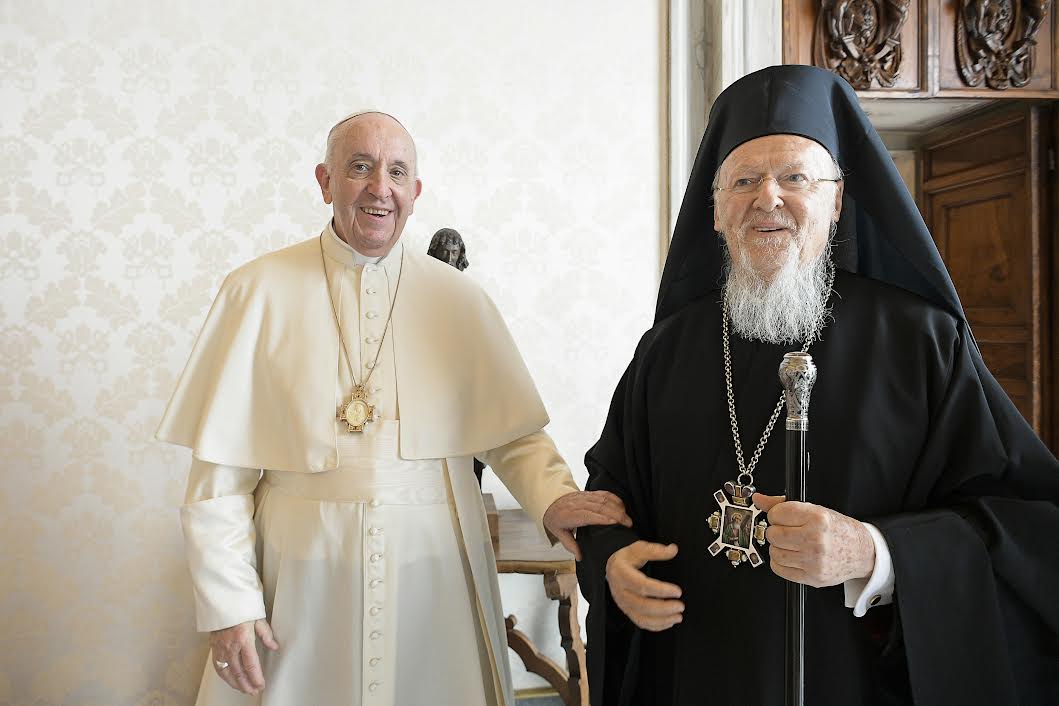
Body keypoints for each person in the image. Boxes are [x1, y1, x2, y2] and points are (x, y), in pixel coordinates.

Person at [577, 65, 1059, 705]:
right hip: (690, 675)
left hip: (852, 681)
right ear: (715, 211)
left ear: (837, 202)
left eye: (795, 178)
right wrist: (612, 562)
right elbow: (609, 493)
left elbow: (1025, 524)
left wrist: (876, 553)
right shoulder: (666, 349)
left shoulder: (920, 341)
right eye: (743, 181)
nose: (767, 198)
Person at [157, 110, 631, 706]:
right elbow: (218, 476)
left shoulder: (458, 300)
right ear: (325, 181)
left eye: (397, 172)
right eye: (360, 167)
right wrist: (230, 604)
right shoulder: (256, 290)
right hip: (299, 576)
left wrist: (554, 497)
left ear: (415, 191)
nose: (380, 187)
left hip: (438, 571)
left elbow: (512, 435)